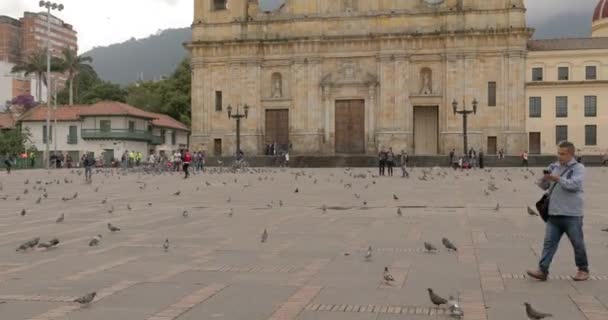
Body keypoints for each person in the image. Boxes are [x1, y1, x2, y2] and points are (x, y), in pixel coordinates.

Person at [527, 141, 589, 282]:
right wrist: (544, 179)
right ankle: (542, 270)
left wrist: (557, 178)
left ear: (571, 154)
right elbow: (545, 187)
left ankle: (583, 269)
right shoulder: (553, 167)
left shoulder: (579, 168)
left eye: (563, 154)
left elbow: (575, 185)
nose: (559, 156)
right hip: (554, 213)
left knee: (577, 243)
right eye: (558, 153)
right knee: (549, 243)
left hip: (572, 214)